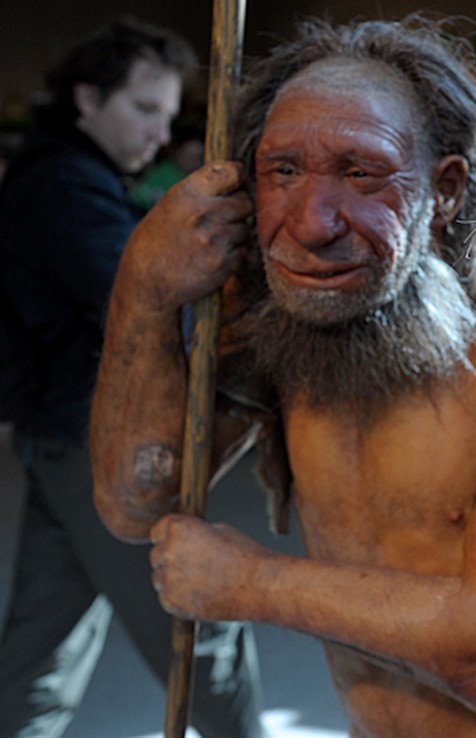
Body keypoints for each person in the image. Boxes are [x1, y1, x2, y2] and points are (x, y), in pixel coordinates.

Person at [90, 15, 476, 738]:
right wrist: (144, 287)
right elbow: (137, 503)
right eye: (284, 172)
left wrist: (248, 582)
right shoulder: (288, 315)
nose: (314, 223)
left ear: (445, 191)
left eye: (361, 173)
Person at [0, 19, 267, 738]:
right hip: (102, 441)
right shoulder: (63, 185)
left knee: (39, 655)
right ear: (87, 99)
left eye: (166, 114)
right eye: (143, 108)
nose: (158, 131)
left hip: (59, 438)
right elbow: (135, 289)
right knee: (196, 631)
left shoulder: (67, 174)